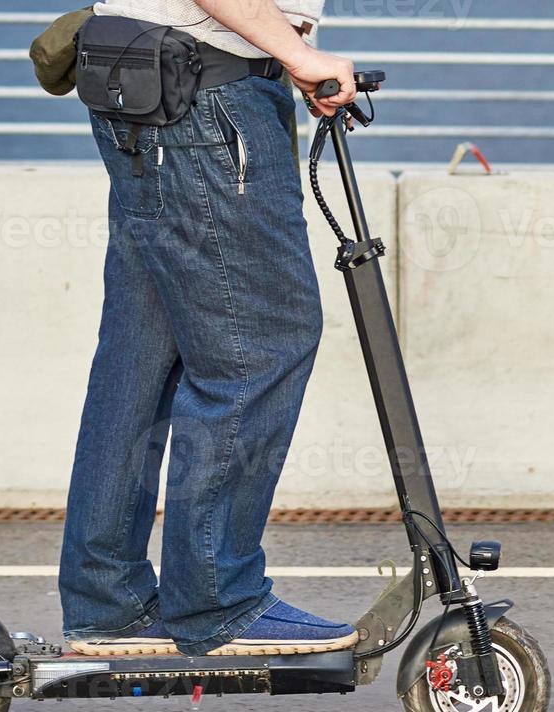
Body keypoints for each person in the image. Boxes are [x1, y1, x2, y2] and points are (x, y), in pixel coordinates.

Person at [58, 0, 360, 657]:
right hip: (206, 101)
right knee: (257, 348)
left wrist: (285, 53)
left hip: (159, 88)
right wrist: (300, 55)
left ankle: (105, 597)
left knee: (143, 357)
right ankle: (217, 599)